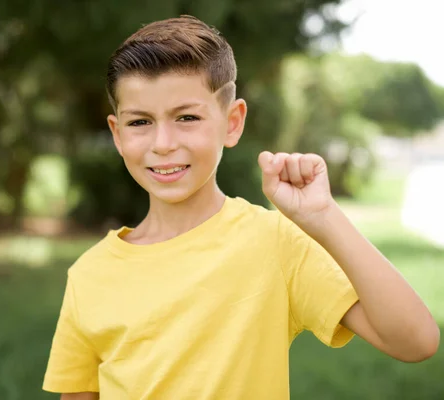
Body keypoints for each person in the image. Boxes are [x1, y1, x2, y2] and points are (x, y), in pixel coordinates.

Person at [42, 15, 440, 399]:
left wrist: (323, 218)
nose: (162, 142)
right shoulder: (89, 275)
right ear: (117, 133)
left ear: (232, 123)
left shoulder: (275, 243)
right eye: (140, 122)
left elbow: (414, 340)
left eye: (186, 117)